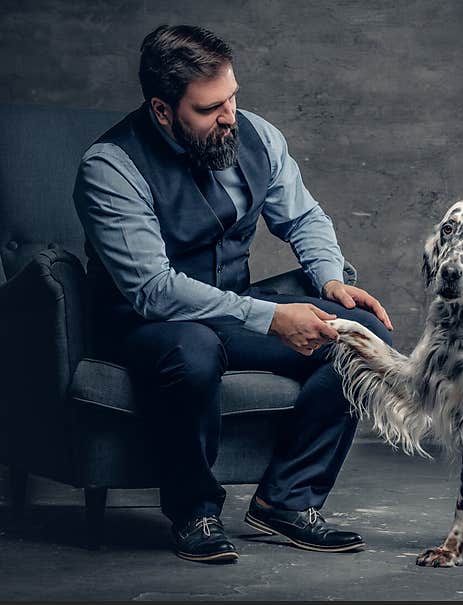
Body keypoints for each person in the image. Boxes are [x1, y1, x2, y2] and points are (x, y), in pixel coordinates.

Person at [73, 24, 394, 563]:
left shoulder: (257, 136)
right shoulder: (110, 168)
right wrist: (269, 318)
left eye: (233, 98)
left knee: (361, 337)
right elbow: (153, 291)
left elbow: (304, 215)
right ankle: (195, 512)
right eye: (209, 108)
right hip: (146, 325)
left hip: (231, 312)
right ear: (162, 110)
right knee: (192, 351)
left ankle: (287, 501)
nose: (230, 117)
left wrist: (330, 276)